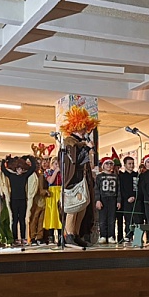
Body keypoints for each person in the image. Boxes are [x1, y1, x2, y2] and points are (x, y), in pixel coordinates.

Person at [59, 106, 98, 248]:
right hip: (73, 181)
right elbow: (74, 161)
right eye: (82, 128)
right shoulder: (69, 142)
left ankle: (75, 233)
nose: (84, 131)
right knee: (73, 207)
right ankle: (68, 234)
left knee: (82, 207)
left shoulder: (80, 143)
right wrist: (86, 148)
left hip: (82, 179)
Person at [0, 154, 37, 245]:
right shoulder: (11, 176)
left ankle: (23, 238)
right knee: (14, 220)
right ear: (15, 168)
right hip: (14, 200)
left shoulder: (25, 176)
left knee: (22, 220)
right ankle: (15, 238)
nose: (20, 170)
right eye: (18, 168)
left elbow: (33, 168)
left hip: (23, 200)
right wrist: (5, 160)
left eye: (21, 168)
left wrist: (29, 157)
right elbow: (3, 169)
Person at [94, 156, 120, 244]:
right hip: (103, 199)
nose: (109, 165)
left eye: (111, 164)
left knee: (112, 219)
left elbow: (118, 190)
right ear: (103, 165)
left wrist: (118, 201)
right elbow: (96, 189)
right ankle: (103, 236)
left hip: (113, 199)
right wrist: (97, 200)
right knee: (102, 219)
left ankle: (111, 235)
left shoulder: (115, 176)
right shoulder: (99, 176)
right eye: (107, 163)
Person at [117, 155, 140, 244]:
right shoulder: (122, 176)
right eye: (129, 163)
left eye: (133, 163)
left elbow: (138, 188)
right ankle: (128, 235)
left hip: (136, 200)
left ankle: (137, 236)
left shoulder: (137, 175)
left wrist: (134, 196)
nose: (131, 165)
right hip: (126, 201)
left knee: (137, 219)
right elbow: (121, 189)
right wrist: (127, 198)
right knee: (128, 219)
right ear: (125, 165)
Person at [43, 155, 63, 245]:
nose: (57, 166)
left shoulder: (62, 172)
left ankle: (60, 236)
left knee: (60, 214)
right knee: (52, 213)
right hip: (52, 193)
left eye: (58, 164)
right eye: (55, 164)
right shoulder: (48, 172)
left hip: (60, 192)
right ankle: (51, 236)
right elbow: (50, 181)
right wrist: (56, 171)